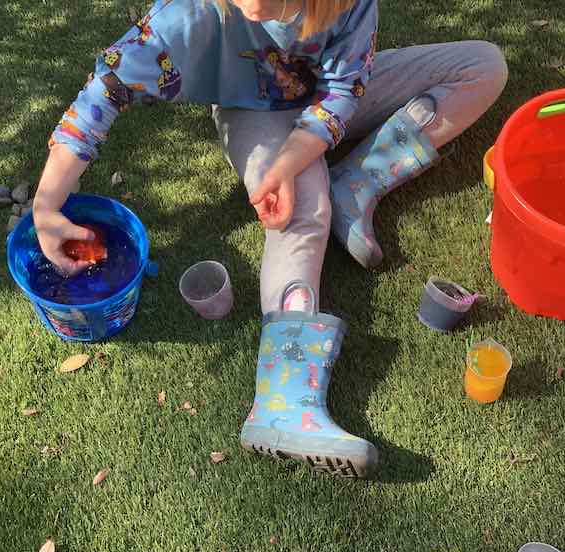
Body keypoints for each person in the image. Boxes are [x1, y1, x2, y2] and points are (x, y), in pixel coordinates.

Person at [33, 0, 508, 478]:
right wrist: (47, 204)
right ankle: (283, 404)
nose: (254, 9)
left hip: (326, 94)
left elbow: (342, 91)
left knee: (483, 66)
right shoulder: (189, 12)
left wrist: (291, 161)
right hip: (252, 111)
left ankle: (355, 186)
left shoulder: (350, 4)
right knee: (300, 210)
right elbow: (106, 88)